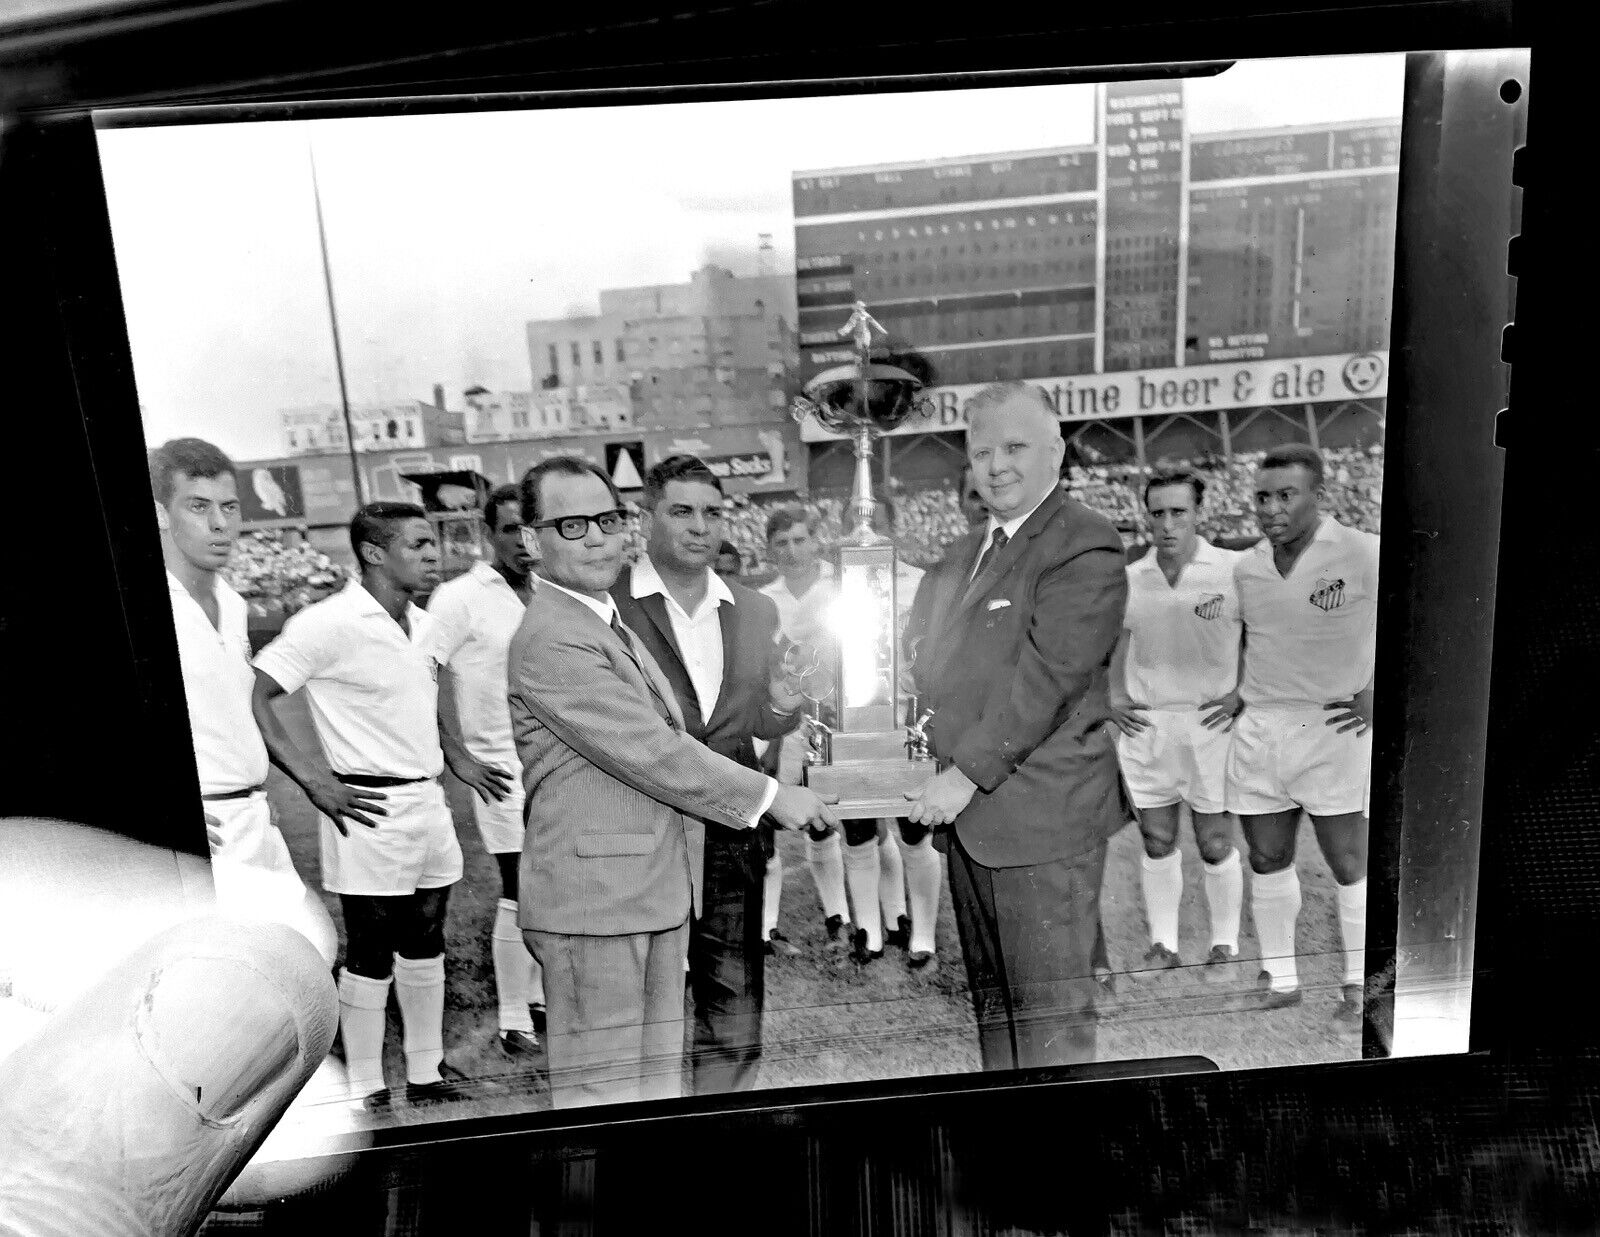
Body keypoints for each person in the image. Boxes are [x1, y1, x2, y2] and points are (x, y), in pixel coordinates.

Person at [507, 456, 838, 1108]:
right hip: (597, 903)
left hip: (650, 887)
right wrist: (772, 795)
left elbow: (692, 732)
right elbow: (652, 748)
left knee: (650, 1093)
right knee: (602, 1100)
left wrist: (782, 702)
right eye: (572, 524)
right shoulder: (556, 634)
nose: (597, 537)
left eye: (606, 519)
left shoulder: (600, 617)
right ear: (530, 539)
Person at [904, 381, 1130, 1070]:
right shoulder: (966, 550)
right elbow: (933, 668)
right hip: (976, 823)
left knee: (1050, 1024)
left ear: (1057, 451)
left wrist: (963, 773)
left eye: (1014, 447)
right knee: (998, 1014)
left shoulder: (1083, 540)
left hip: (1040, 820)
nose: (996, 465)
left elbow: (1048, 677)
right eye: (981, 451)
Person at [251, 502, 467, 1106]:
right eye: (419, 545)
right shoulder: (329, 622)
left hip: (428, 804)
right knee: (371, 948)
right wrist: (313, 781)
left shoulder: (425, 624)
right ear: (374, 553)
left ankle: (426, 1074)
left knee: (427, 937)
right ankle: (367, 1085)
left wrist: (459, 758)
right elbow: (259, 694)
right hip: (367, 808)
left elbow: (422, 703)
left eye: (434, 544)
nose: (434, 556)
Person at [610, 455, 805, 1094]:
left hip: (727, 831)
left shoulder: (753, 610)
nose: (700, 527)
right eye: (682, 511)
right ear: (646, 519)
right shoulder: (606, 607)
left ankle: (724, 1134)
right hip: (639, 825)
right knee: (643, 1002)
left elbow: (760, 721)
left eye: (713, 512)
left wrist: (783, 697)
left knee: (733, 997)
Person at [148, 438, 334, 962]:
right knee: (233, 989)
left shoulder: (231, 600)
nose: (219, 524)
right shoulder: (144, 606)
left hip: (256, 816)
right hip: (198, 836)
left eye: (229, 507)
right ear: (160, 514)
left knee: (307, 956)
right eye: (198, 506)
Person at [1227, 443, 1379, 1023]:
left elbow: (1425, 610)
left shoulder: (1362, 552)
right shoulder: (1247, 567)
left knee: (1349, 862)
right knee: (1266, 857)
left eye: (1286, 495)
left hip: (1334, 726)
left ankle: (1358, 983)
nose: (1271, 508)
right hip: (1263, 728)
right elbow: (1247, 643)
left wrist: (1378, 690)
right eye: (1262, 496)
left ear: (1320, 495)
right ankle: (1282, 979)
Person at [1107, 467, 1247, 980]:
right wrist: (1114, 697)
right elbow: (1115, 642)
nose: (1167, 524)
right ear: (1147, 517)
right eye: (1158, 513)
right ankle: (1163, 946)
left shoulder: (1233, 569)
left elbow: (1269, 633)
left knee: (1214, 841)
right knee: (1157, 839)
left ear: (1197, 514)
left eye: (1178, 512)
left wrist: (1244, 692)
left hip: (1211, 724)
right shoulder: (1131, 577)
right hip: (1149, 727)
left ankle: (1224, 947)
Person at [421, 484, 544, 1056]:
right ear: (488, 533)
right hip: (499, 768)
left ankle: (540, 999)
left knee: (557, 883)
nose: (522, 541)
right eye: (508, 530)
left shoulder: (555, 587)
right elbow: (425, 672)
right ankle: (514, 1018)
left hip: (559, 763)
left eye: (530, 528)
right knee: (519, 885)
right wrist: (457, 756)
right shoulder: (459, 596)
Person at [759, 508, 851, 950]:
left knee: (829, 819)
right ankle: (766, 927)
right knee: (770, 817)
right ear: (770, 548)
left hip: (836, 715)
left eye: (799, 540)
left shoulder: (842, 583)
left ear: (817, 540)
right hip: (786, 720)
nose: (792, 551)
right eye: (782, 543)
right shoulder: (765, 598)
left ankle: (842, 918)